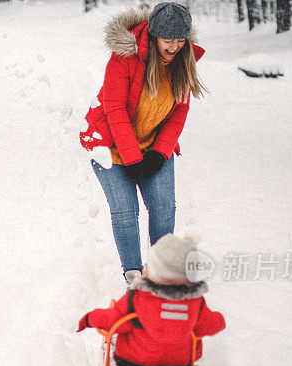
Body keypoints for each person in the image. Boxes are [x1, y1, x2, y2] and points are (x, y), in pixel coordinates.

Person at [80, 3, 206, 286]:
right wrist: (132, 157)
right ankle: (134, 275)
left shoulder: (184, 61)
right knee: (126, 211)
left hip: (152, 145)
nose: (174, 47)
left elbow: (179, 112)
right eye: (167, 40)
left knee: (163, 206)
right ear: (153, 36)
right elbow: (114, 108)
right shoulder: (125, 57)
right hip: (110, 144)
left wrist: (159, 154)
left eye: (179, 40)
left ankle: (161, 271)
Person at [77, 234, 225, 366]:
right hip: (179, 365)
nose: (145, 267)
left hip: (135, 363)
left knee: (123, 326)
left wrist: (89, 319)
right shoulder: (195, 304)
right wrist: (220, 319)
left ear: (160, 274)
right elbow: (211, 325)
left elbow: (112, 320)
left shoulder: (136, 299)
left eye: (149, 265)